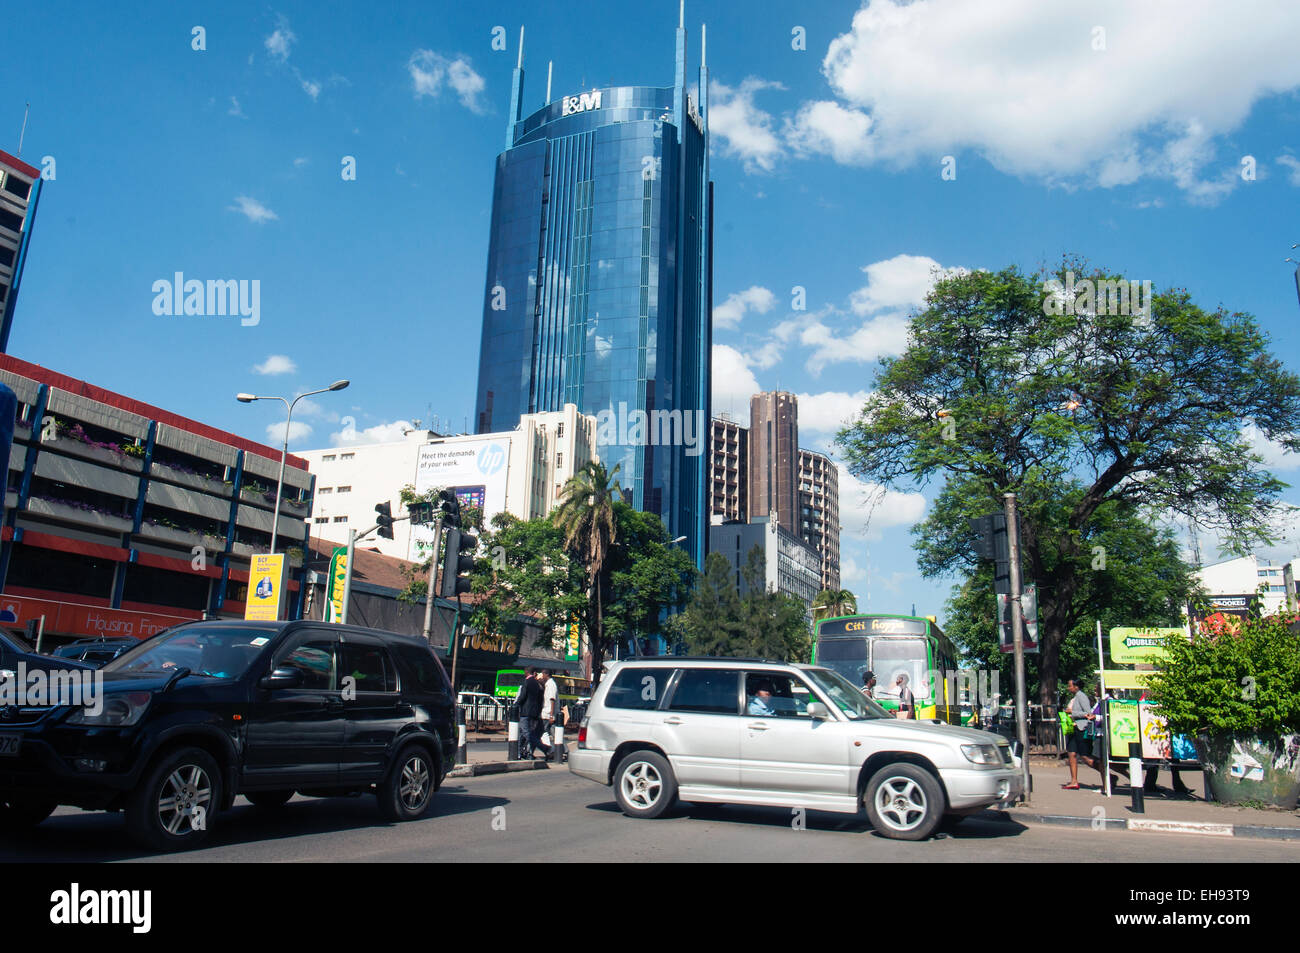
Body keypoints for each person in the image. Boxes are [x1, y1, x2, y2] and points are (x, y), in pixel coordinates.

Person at [1062, 677, 1102, 789]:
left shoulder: (1081, 696)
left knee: (1085, 756)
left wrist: (1072, 712)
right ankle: (1074, 780)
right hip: (1073, 728)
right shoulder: (1075, 697)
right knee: (1071, 752)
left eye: (1070, 686)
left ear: (1076, 686)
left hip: (1081, 728)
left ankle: (1107, 775)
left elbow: (1087, 713)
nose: (1068, 688)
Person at [516, 667, 550, 760]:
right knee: (523, 733)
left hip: (525, 711)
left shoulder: (526, 682)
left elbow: (522, 696)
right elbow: (540, 699)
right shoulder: (538, 684)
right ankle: (520, 752)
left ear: (525, 672)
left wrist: (515, 705)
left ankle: (543, 747)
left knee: (526, 733)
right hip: (534, 712)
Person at [539, 668, 561, 760]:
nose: (542, 676)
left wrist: (551, 715)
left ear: (546, 674)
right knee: (555, 732)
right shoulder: (548, 684)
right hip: (547, 713)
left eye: (543, 674)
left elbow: (552, 700)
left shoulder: (551, 685)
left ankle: (551, 750)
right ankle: (562, 750)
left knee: (544, 732)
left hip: (548, 713)